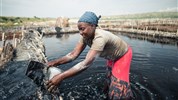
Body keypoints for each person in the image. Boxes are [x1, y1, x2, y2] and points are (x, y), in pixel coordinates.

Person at [47, 11, 133, 99]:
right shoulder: (85, 36)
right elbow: (73, 55)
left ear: (92, 26)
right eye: (79, 29)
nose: (80, 32)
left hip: (122, 55)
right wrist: (54, 62)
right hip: (111, 56)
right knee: (109, 80)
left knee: (118, 87)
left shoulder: (100, 38)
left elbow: (85, 64)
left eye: (83, 29)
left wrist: (61, 76)